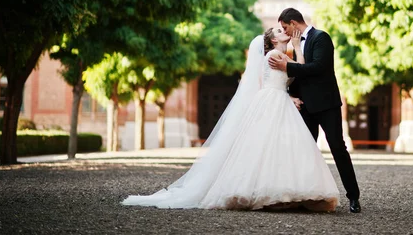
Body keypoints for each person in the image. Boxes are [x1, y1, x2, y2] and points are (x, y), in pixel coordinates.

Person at [122, 28, 339, 211]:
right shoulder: (274, 56)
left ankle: (288, 190)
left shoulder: (285, 55)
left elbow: (296, 71)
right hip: (273, 101)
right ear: (273, 40)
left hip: (280, 99)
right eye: (280, 31)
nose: (285, 32)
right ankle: (266, 191)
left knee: (282, 146)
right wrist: (288, 89)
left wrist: (296, 52)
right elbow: (287, 76)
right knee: (267, 145)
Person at [268, 7, 361, 213]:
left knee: (338, 148)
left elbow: (318, 67)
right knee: (305, 151)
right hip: (305, 107)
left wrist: (287, 67)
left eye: (284, 26)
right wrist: (290, 96)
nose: (283, 30)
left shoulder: (321, 37)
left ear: (293, 24)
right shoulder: (293, 45)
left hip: (327, 105)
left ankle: (353, 197)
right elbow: (297, 78)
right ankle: (306, 196)